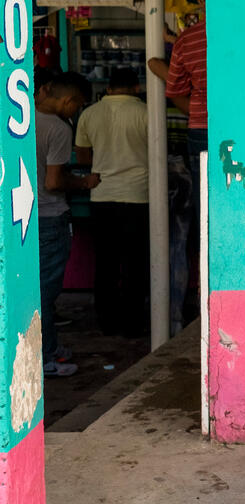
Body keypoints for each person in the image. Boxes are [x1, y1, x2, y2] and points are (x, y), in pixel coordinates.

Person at [74, 67, 149, 337]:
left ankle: (106, 322)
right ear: (137, 88)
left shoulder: (89, 114)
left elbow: (82, 157)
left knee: (106, 263)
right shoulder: (146, 113)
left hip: (102, 196)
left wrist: (102, 164)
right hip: (138, 196)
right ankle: (133, 324)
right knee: (136, 263)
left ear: (108, 88)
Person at [35, 72, 99, 377]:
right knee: (45, 293)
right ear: (69, 101)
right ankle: (45, 357)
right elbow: (53, 181)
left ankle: (49, 346)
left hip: (22, 217)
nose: (76, 112)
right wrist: (84, 182)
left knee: (31, 290)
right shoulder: (58, 129)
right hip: (49, 219)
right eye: (78, 106)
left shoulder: (19, 118)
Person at [147, 6, 205, 334]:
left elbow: (175, 90)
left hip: (202, 131)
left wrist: (155, 64)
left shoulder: (189, 38)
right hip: (241, 130)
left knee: (202, 222)